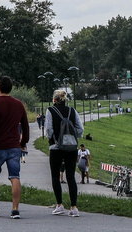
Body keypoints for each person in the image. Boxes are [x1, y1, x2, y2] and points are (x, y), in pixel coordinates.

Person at [0, 75, 29, 219]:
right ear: (11, 88)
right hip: (14, 147)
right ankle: (15, 209)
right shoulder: (18, 104)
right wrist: (23, 143)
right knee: (15, 177)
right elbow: (25, 127)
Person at [45, 89, 83, 217]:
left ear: (54, 100)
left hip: (56, 147)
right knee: (71, 177)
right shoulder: (72, 111)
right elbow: (80, 129)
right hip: (71, 148)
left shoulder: (50, 110)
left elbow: (49, 129)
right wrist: (71, 136)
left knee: (55, 176)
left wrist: (53, 138)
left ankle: (59, 205)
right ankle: (74, 207)